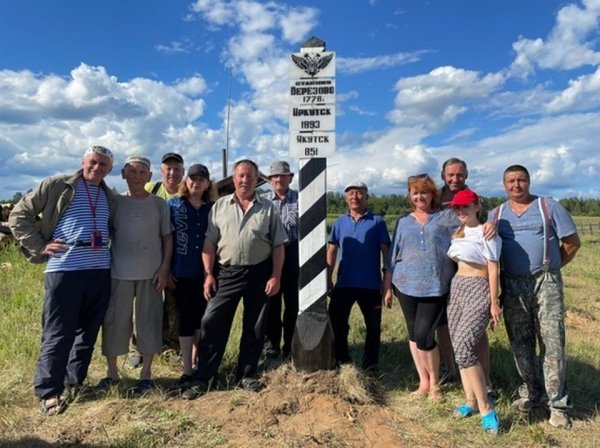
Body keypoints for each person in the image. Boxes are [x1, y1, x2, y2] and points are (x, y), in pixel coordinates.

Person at [8, 145, 115, 415]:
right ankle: (49, 390)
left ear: (110, 169)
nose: (97, 168)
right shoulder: (58, 185)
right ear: (83, 161)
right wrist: (39, 246)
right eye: (93, 162)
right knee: (58, 332)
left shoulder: (108, 195)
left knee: (87, 332)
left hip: (100, 269)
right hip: (65, 268)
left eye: (103, 165)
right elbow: (19, 215)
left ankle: (74, 381)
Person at [183, 159, 287, 399]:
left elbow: (278, 245)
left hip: (259, 273)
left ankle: (246, 375)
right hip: (226, 273)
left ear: (256, 179)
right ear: (234, 177)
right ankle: (205, 377)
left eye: (250, 176)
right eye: (241, 175)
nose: (245, 180)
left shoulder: (268, 208)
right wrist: (208, 274)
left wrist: (276, 275)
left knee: (255, 326)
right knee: (212, 322)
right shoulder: (219, 206)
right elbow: (209, 242)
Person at [489, 165, 580, 429]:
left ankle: (558, 403)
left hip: (545, 281)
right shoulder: (497, 215)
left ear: (529, 182)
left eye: (521, 180)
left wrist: (552, 268)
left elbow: (572, 243)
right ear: (504, 185)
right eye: (511, 181)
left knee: (552, 341)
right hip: (512, 284)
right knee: (520, 342)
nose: (516, 185)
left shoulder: (548, 206)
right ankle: (531, 391)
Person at [97, 155, 172, 394]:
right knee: (115, 321)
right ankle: (112, 372)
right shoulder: (115, 203)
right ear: (123, 174)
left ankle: (146, 373)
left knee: (149, 321)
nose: (137, 177)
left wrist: (164, 269)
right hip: (118, 272)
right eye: (132, 172)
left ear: (150, 177)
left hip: (151, 274)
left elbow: (167, 238)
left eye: (142, 173)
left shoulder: (159, 205)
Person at [383, 174, 457, 401]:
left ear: (432, 194)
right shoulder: (403, 221)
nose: (419, 196)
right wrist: (387, 286)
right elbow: (393, 256)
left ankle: (435, 383)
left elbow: (468, 233)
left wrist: (488, 226)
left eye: (424, 192)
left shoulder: (446, 218)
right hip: (405, 284)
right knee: (414, 334)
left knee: (425, 334)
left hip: (435, 285)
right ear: (410, 196)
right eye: (415, 192)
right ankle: (423, 381)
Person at [446, 189, 501, 435]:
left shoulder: (487, 232)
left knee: (466, 345)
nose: (460, 211)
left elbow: (493, 269)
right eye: (457, 207)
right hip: (457, 288)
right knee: (458, 347)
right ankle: (469, 401)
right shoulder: (458, 233)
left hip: (478, 289)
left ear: (477, 206)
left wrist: (493, 302)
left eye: (465, 206)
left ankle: (486, 407)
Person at [125, 151, 185, 366]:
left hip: (175, 260)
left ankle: (169, 348)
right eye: (168, 168)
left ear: (183, 172)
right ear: (160, 172)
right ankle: (137, 349)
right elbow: (129, 200)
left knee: (173, 306)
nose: (172, 173)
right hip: (147, 258)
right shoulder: (152, 189)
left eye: (177, 169)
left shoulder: (187, 193)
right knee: (141, 306)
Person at [439, 158, 492, 391]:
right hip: (445, 265)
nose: (454, 179)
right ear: (443, 176)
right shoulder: (435, 198)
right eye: (450, 175)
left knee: (476, 330)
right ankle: (452, 370)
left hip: (474, 268)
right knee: (446, 323)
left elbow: (486, 224)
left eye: (459, 175)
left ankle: (486, 380)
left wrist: (494, 225)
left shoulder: (475, 198)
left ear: (466, 175)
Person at [327, 181, 390, 373]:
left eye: (359, 193)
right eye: (350, 193)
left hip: (370, 285)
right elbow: (331, 250)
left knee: (372, 327)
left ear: (366, 196)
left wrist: (387, 285)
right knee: (336, 323)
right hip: (344, 283)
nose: (355, 197)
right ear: (346, 198)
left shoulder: (377, 222)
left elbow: (386, 254)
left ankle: (370, 366)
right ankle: (341, 360)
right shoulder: (339, 222)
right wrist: (328, 278)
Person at [167, 164, 217, 393]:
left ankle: (198, 363)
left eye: (201, 179)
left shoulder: (213, 209)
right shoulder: (174, 206)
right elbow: (165, 240)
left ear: (208, 183)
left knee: (203, 320)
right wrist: (165, 269)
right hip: (181, 272)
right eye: (192, 179)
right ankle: (187, 368)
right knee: (185, 319)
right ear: (186, 182)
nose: (196, 183)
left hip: (207, 274)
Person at [262, 160, 299, 360]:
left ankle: (290, 347)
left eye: (282, 176)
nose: (278, 179)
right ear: (269, 180)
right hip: (269, 255)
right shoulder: (263, 201)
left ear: (290, 178)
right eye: (274, 176)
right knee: (271, 304)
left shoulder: (301, 199)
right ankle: (271, 348)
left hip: (293, 254)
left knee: (292, 304)